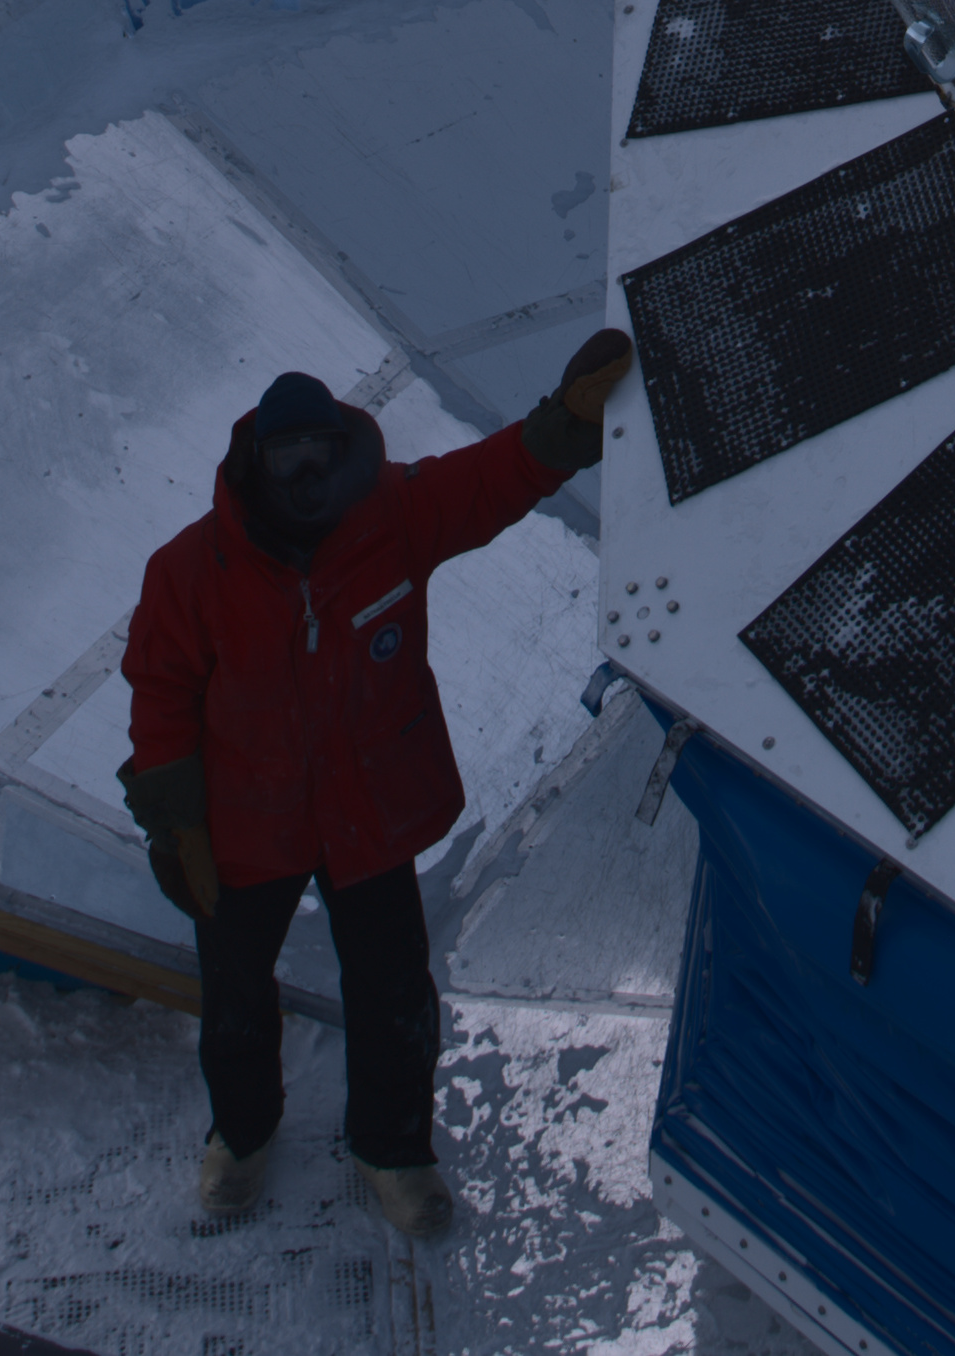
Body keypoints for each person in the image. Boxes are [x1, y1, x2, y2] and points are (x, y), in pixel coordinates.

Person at [119, 326, 634, 1241]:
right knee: (236, 1001)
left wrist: (567, 426)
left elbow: (488, 481)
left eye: (319, 449)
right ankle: (240, 1137)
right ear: (253, 463)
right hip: (245, 828)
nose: (306, 471)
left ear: (343, 448)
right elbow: (160, 694)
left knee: (394, 996)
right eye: (287, 455)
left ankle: (392, 1151)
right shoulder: (192, 569)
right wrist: (173, 822)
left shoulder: (390, 516)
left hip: (365, 817)